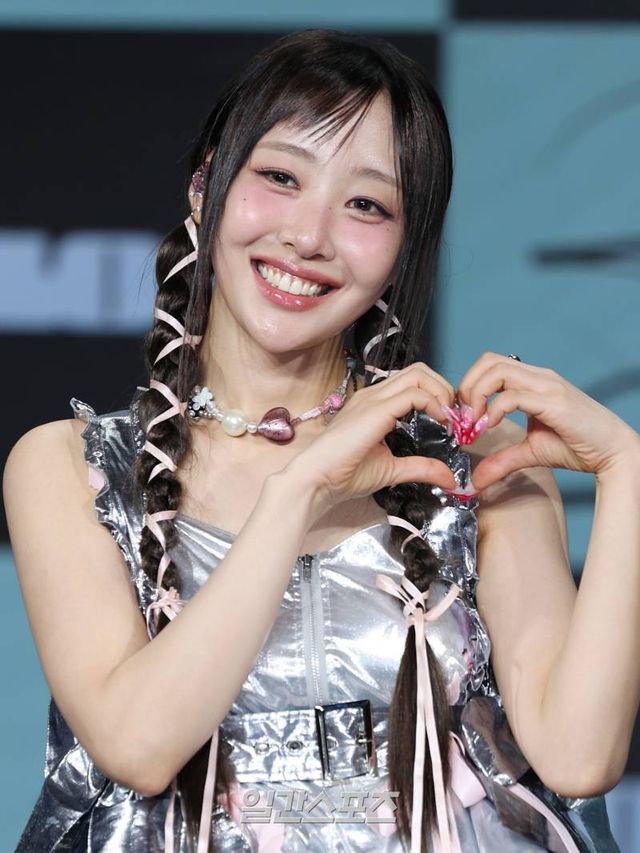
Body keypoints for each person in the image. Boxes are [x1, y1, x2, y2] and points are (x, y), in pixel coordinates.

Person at [3, 28, 637, 853]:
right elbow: (138, 743)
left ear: (404, 247)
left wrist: (627, 468)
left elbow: (581, 757)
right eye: (280, 178)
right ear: (205, 185)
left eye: (366, 205)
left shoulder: (481, 473)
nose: (309, 235)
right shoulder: (73, 466)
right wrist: (301, 487)